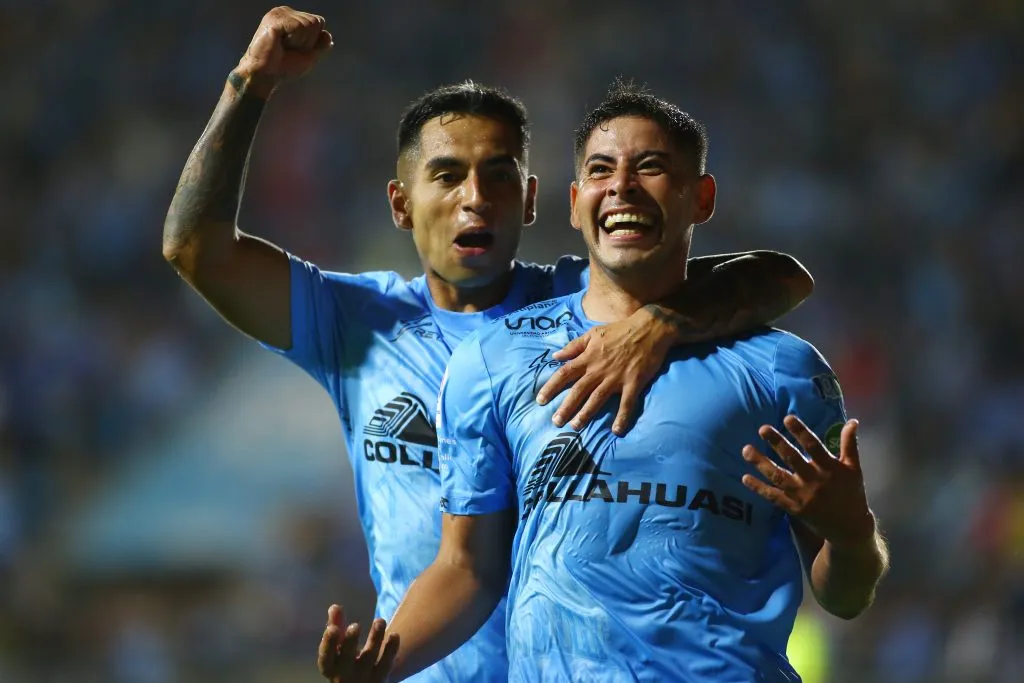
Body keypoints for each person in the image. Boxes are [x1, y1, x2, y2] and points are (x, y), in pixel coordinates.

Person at [163, 7, 814, 682]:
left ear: (531, 200)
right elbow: (195, 249)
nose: (477, 198)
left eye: (499, 176)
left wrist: (660, 324)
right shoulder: (357, 322)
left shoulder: (588, 304)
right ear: (400, 202)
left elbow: (780, 276)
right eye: (447, 176)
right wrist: (249, 84)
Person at [317, 80, 890, 682]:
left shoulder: (781, 370)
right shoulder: (495, 358)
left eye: (651, 167)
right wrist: (381, 667)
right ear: (573, 201)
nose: (622, 185)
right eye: (601, 169)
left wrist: (853, 536)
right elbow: (468, 570)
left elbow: (845, 596)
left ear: (702, 196)